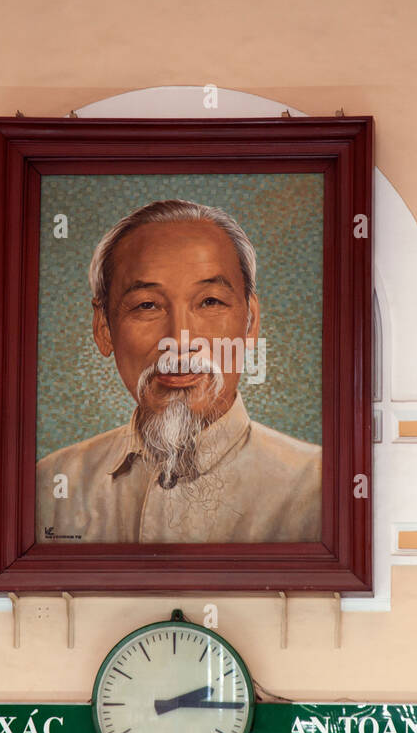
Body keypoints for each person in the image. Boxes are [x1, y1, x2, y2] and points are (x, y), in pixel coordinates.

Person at [36, 199, 321, 543]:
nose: (179, 341)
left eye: (210, 302)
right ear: (103, 328)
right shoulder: (50, 485)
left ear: (250, 322)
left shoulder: (317, 485)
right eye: (147, 305)